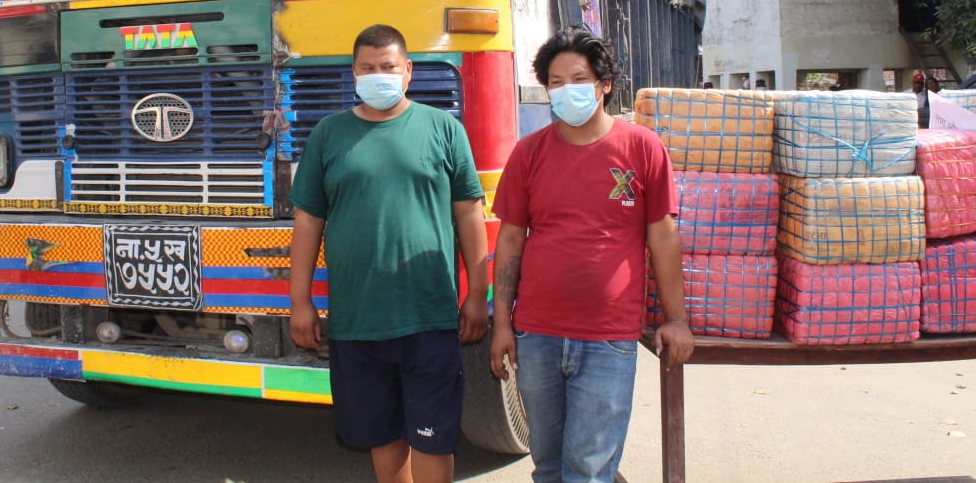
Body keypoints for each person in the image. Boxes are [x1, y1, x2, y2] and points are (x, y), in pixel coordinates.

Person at [489, 26, 693, 483]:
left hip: (608, 338)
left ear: (605, 85)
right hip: (537, 335)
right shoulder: (528, 153)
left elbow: (663, 238)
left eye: (579, 80)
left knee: (589, 470)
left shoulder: (642, 148)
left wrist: (676, 319)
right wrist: (502, 324)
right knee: (548, 468)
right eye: (556, 83)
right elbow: (510, 241)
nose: (567, 91)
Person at [289, 24, 488, 483]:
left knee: (433, 439)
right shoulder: (329, 134)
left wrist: (477, 295)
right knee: (383, 437)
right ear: (354, 73)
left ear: (408, 71)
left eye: (388, 67)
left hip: (429, 316)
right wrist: (300, 301)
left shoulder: (443, 129)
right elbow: (308, 222)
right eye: (367, 68)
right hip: (357, 320)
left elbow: (469, 213)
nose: (377, 75)